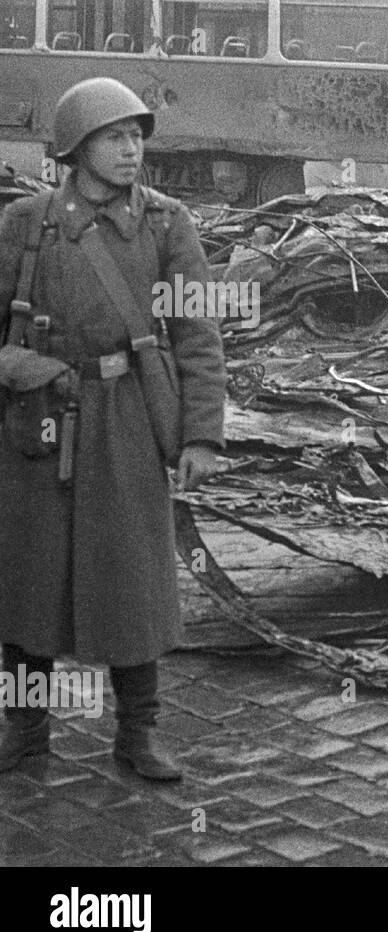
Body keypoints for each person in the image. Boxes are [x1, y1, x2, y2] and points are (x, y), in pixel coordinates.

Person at [0, 77, 226, 781]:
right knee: (25, 588)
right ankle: (26, 734)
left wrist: (200, 435)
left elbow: (197, 334)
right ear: (76, 149)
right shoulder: (24, 223)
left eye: (136, 136)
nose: (131, 151)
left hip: (127, 418)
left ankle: (138, 734)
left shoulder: (167, 224)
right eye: (114, 137)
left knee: (135, 583)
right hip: (38, 421)